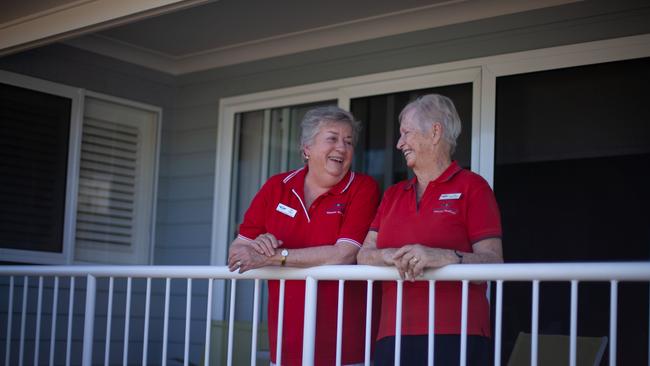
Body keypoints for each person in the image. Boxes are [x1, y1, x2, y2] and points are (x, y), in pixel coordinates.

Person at [357, 94, 503, 366]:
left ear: (435, 132)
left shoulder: (473, 187)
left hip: (457, 334)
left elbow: (494, 261)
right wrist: (390, 255)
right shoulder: (392, 195)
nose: (400, 143)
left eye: (406, 133)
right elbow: (364, 254)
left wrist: (444, 257)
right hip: (393, 333)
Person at [228, 106, 380, 366]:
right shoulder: (277, 187)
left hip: (347, 343)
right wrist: (256, 246)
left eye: (348, 141)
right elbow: (237, 252)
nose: (341, 148)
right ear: (306, 148)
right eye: (332, 138)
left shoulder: (363, 188)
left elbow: (344, 254)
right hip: (288, 341)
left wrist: (273, 256)